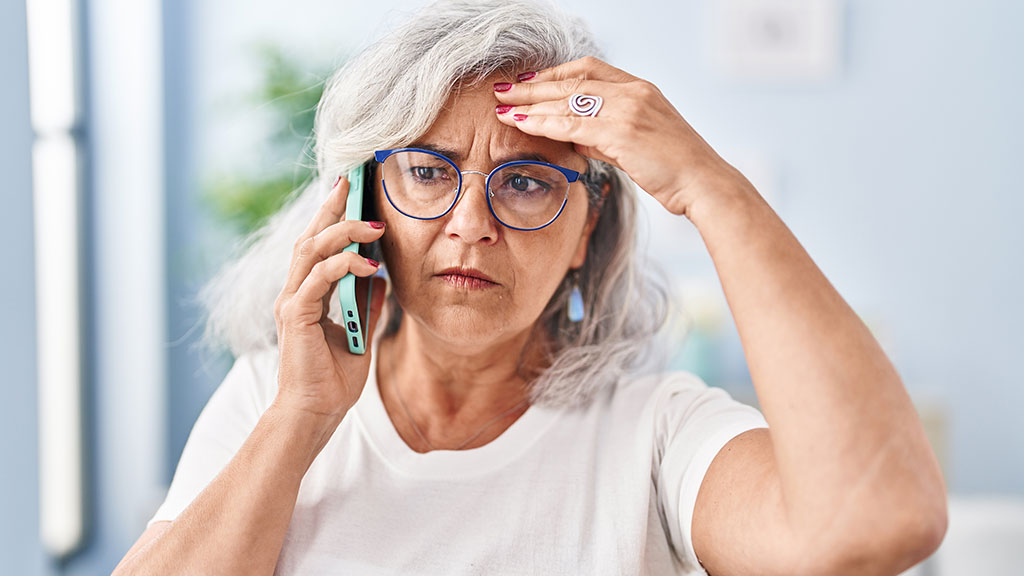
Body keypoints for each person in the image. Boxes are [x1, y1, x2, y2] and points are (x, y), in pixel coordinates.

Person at [113, 1, 947, 574]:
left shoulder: (654, 432)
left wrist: (707, 184)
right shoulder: (276, 399)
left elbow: (874, 524)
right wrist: (301, 419)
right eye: (428, 171)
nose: (470, 223)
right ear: (365, 204)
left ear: (589, 228)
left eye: (525, 183)